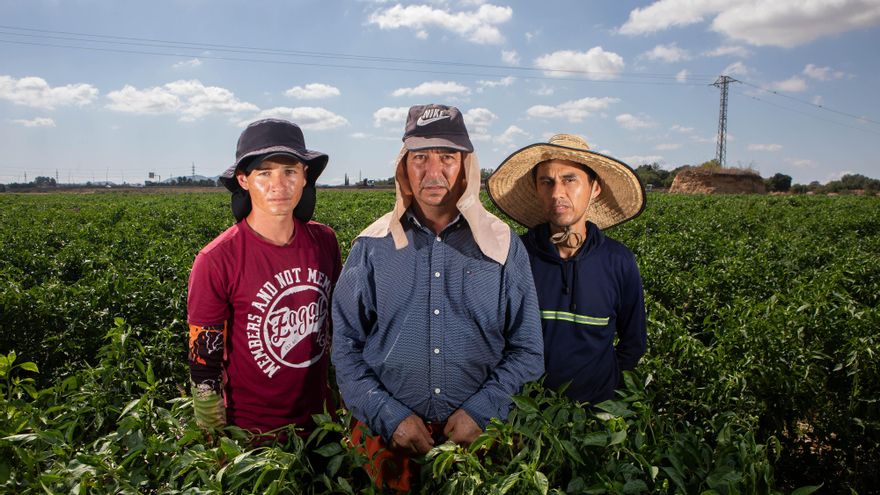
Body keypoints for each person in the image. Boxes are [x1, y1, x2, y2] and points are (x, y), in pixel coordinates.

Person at [332, 104, 544, 491]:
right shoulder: (372, 246)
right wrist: (389, 414)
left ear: (466, 166)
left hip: (481, 439)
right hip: (385, 441)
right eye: (420, 158)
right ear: (404, 168)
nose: (433, 171)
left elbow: (528, 349)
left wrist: (483, 411)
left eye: (447, 157)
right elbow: (345, 346)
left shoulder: (500, 245)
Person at [187, 118, 341, 437]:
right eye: (265, 172)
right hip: (252, 441)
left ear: (304, 176)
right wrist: (216, 447)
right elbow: (204, 369)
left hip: (322, 430)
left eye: (290, 171)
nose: (279, 185)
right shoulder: (215, 259)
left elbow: (338, 332)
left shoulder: (324, 242)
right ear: (243, 179)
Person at [486, 134, 647, 405]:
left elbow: (633, 343)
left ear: (594, 188)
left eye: (570, 180)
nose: (557, 193)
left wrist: (606, 386)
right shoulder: (514, 256)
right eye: (546, 182)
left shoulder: (619, 261)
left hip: (596, 412)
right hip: (525, 412)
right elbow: (492, 336)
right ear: (537, 190)